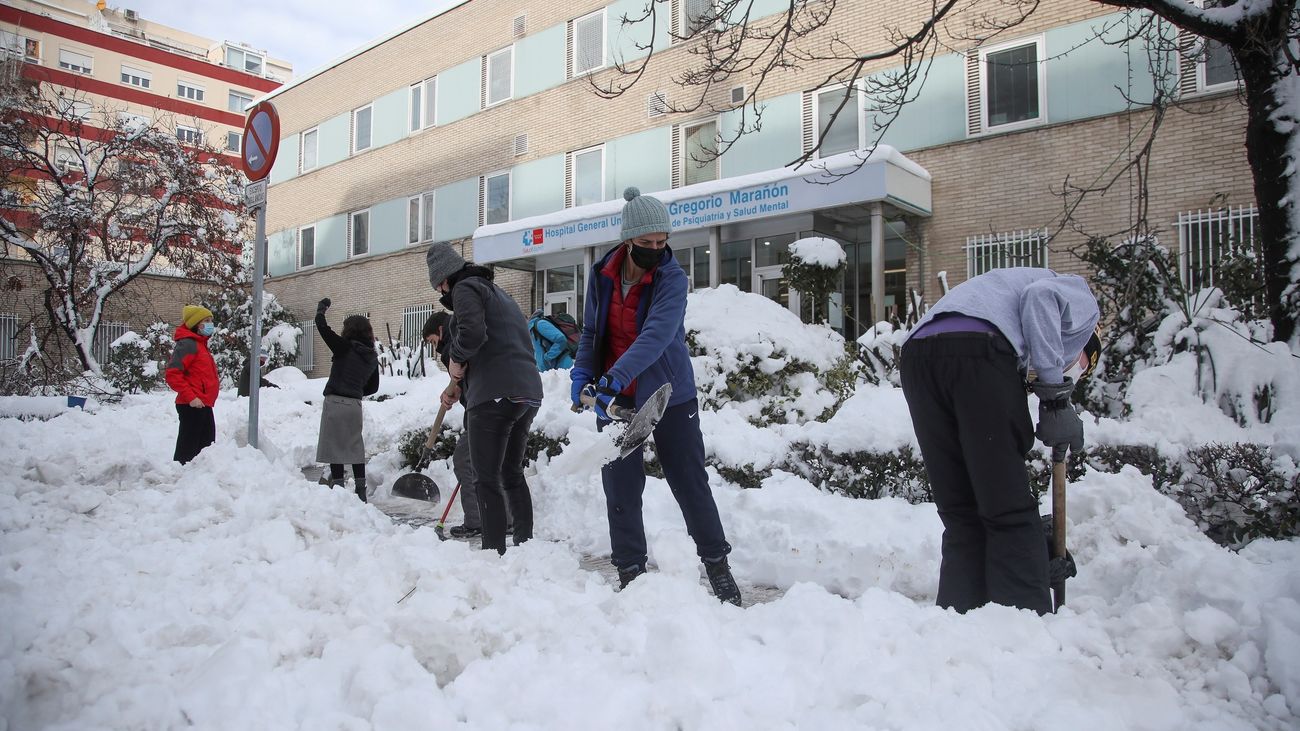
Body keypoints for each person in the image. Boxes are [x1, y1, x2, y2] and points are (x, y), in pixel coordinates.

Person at [571, 186, 742, 606]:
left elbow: (656, 336)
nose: (655, 250)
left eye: (662, 242)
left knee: (688, 480)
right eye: (646, 242)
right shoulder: (602, 273)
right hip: (615, 399)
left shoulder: (672, 278)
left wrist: (613, 377)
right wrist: (583, 375)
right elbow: (592, 331)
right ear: (628, 239)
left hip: (668, 393)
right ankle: (630, 571)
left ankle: (717, 565)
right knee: (620, 487)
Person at [899, 267, 1102, 615]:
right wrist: (1055, 397)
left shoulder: (999, 295)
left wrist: (1034, 553)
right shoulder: (1082, 303)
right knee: (1009, 514)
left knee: (963, 517)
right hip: (977, 351)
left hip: (918, 358)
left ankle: (957, 626)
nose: (1074, 373)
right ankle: (1023, 629)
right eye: (1081, 368)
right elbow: (1040, 298)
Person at [426, 243, 542, 554]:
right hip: (526, 392)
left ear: (445, 279)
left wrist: (455, 360)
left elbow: (473, 335)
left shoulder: (465, 289)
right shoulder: (497, 293)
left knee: (485, 477)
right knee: (510, 473)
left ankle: (493, 553)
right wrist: (457, 385)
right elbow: (496, 346)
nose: (441, 292)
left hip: (494, 394)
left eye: (439, 286)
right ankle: (526, 548)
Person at [421, 311, 512, 539]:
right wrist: (454, 391)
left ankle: (477, 521)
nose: (435, 347)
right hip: (502, 400)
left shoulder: (454, 345)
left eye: (433, 341)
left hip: (484, 406)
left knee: (464, 459)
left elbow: (465, 374)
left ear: (440, 330)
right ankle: (506, 519)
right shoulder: (473, 337)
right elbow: (469, 375)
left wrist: (455, 390)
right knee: (492, 462)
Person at [314, 297, 380, 503]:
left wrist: (321, 310)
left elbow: (322, 328)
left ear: (349, 331)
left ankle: (339, 491)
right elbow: (373, 387)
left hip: (335, 403)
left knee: (336, 449)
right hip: (354, 406)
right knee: (354, 447)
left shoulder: (344, 347)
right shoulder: (371, 357)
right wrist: (356, 388)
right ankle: (361, 491)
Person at [165, 304, 220, 464]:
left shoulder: (200, 345)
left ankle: (199, 475)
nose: (210, 324)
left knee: (205, 448)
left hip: (203, 403)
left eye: (211, 320)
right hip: (192, 405)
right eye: (206, 321)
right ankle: (181, 474)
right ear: (196, 324)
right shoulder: (188, 344)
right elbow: (173, 374)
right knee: (188, 450)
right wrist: (191, 398)